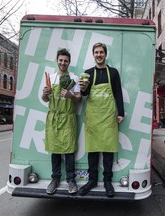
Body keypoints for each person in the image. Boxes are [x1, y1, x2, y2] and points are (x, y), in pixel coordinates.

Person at [78, 42, 125, 197]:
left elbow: (118, 93)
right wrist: (83, 88)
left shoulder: (113, 73)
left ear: (105, 54)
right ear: (93, 55)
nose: (99, 55)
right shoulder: (88, 73)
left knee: (108, 150)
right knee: (92, 150)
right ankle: (92, 181)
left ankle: (107, 182)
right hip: (93, 117)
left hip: (109, 116)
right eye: (96, 52)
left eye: (101, 52)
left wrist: (121, 113)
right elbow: (84, 95)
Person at [42, 48, 81, 194]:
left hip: (68, 117)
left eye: (65, 60)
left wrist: (71, 95)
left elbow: (79, 98)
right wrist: (45, 94)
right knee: (55, 151)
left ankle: (71, 180)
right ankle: (55, 179)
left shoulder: (74, 78)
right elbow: (45, 99)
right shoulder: (50, 78)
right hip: (54, 118)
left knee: (69, 151)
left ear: (69, 62)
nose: (63, 63)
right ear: (57, 61)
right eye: (60, 60)